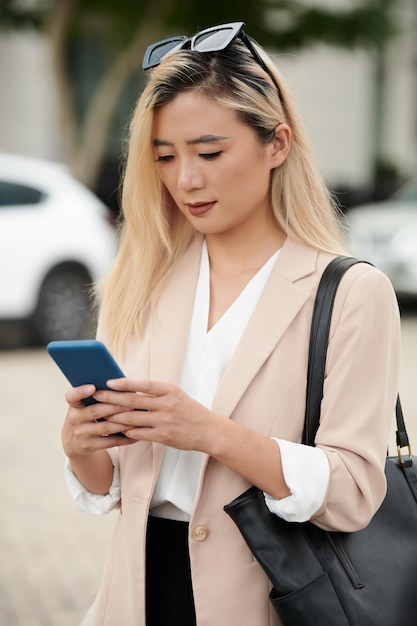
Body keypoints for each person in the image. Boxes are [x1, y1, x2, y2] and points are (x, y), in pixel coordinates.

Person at [61, 21, 400, 626]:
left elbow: (351, 490)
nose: (185, 178)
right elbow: (114, 485)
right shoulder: (143, 281)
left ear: (277, 144)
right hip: (134, 594)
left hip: (269, 596)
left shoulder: (351, 292)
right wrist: (82, 446)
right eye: (164, 156)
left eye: (209, 152)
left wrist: (211, 433)